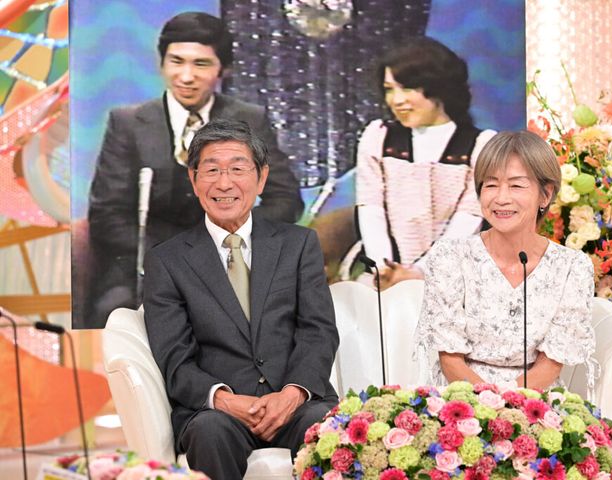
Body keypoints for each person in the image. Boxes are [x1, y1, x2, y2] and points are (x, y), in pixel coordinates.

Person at [143, 119, 338, 480]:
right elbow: (174, 358)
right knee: (209, 431)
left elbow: (318, 331)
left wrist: (292, 394)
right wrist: (224, 399)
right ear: (193, 179)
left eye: (237, 169)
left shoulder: (298, 244)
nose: (224, 183)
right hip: (219, 411)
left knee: (324, 424)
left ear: (261, 178)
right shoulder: (167, 261)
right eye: (211, 170)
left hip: (295, 403)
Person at [85, 12, 303, 328]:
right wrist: (170, 260)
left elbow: (286, 199)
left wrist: (234, 241)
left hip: (228, 262)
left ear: (222, 69)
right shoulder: (128, 123)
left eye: (201, 64)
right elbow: (107, 214)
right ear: (162, 64)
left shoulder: (249, 120)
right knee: (114, 316)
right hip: (146, 266)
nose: (186, 76)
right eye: (176, 62)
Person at [414, 131, 595, 390]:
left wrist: (510, 405)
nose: (501, 198)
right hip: (462, 397)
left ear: (545, 195)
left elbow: (551, 364)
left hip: (535, 400)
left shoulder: (572, 268)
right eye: (490, 185)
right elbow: (450, 359)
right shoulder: (449, 257)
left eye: (516, 185)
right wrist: (488, 403)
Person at [354, 37, 496, 289]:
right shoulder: (378, 137)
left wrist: (420, 273)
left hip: (454, 280)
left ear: (439, 88)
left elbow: (468, 219)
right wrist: (384, 270)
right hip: (383, 279)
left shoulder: (480, 146)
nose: (396, 100)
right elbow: (370, 208)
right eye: (389, 89)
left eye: (407, 88)